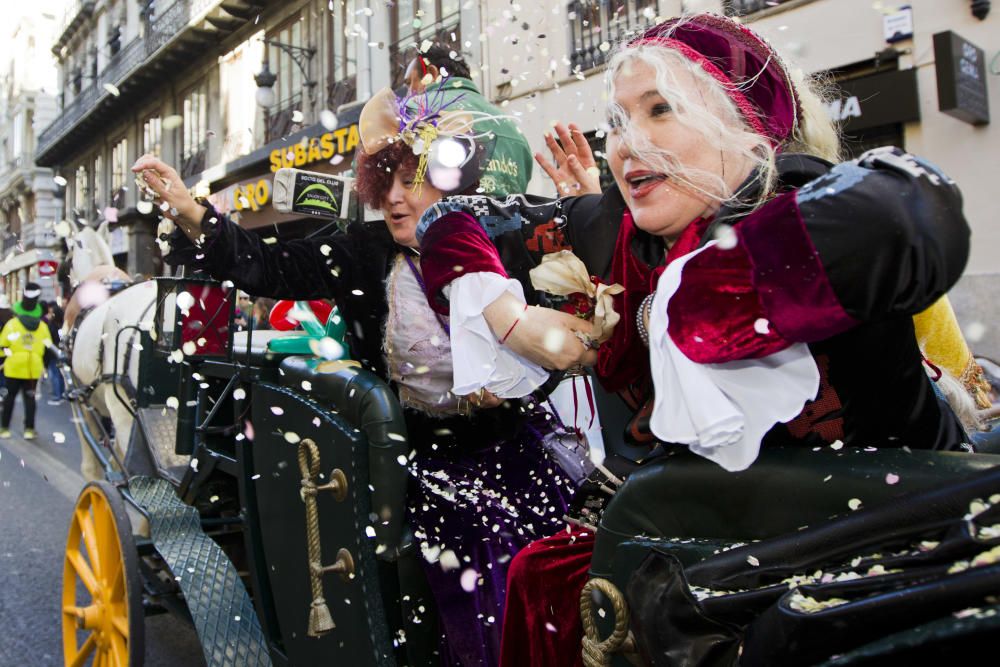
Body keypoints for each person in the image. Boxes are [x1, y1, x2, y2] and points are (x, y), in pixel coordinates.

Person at [414, 13, 971, 664]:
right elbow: (450, 218)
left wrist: (700, 300)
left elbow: (918, 211)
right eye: (619, 120)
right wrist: (515, 319)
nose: (625, 144)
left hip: (878, 575)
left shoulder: (805, 201)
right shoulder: (615, 230)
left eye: (660, 109)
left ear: (746, 123)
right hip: (693, 563)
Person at [132, 83, 596, 667]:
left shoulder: (506, 242)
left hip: (522, 453)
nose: (396, 199)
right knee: (485, 598)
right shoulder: (362, 250)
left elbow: (583, 312)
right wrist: (194, 212)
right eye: (387, 182)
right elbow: (268, 265)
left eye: (414, 179)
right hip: (426, 469)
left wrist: (586, 210)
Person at [405, 44, 533, 197]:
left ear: (431, 73)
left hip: (445, 220)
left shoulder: (415, 110)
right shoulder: (512, 127)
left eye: (410, 82)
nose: (408, 92)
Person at [0, 283, 53, 439]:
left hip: (13, 367)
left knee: (9, 398)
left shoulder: (12, 325)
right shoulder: (42, 326)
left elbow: (2, 345)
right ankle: (29, 430)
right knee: (30, 399)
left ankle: (4, 428)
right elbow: (48, 346)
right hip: (32, 368)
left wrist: (10, 354)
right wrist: (43, 363)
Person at [44, 301, 65, 404]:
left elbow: (48, 340)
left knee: (55, 374)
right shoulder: (62, 326)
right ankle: (61, 394)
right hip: (61, 351)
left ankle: (57, 396)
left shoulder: (51, 325)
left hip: (52, 352)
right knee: (60, 374)